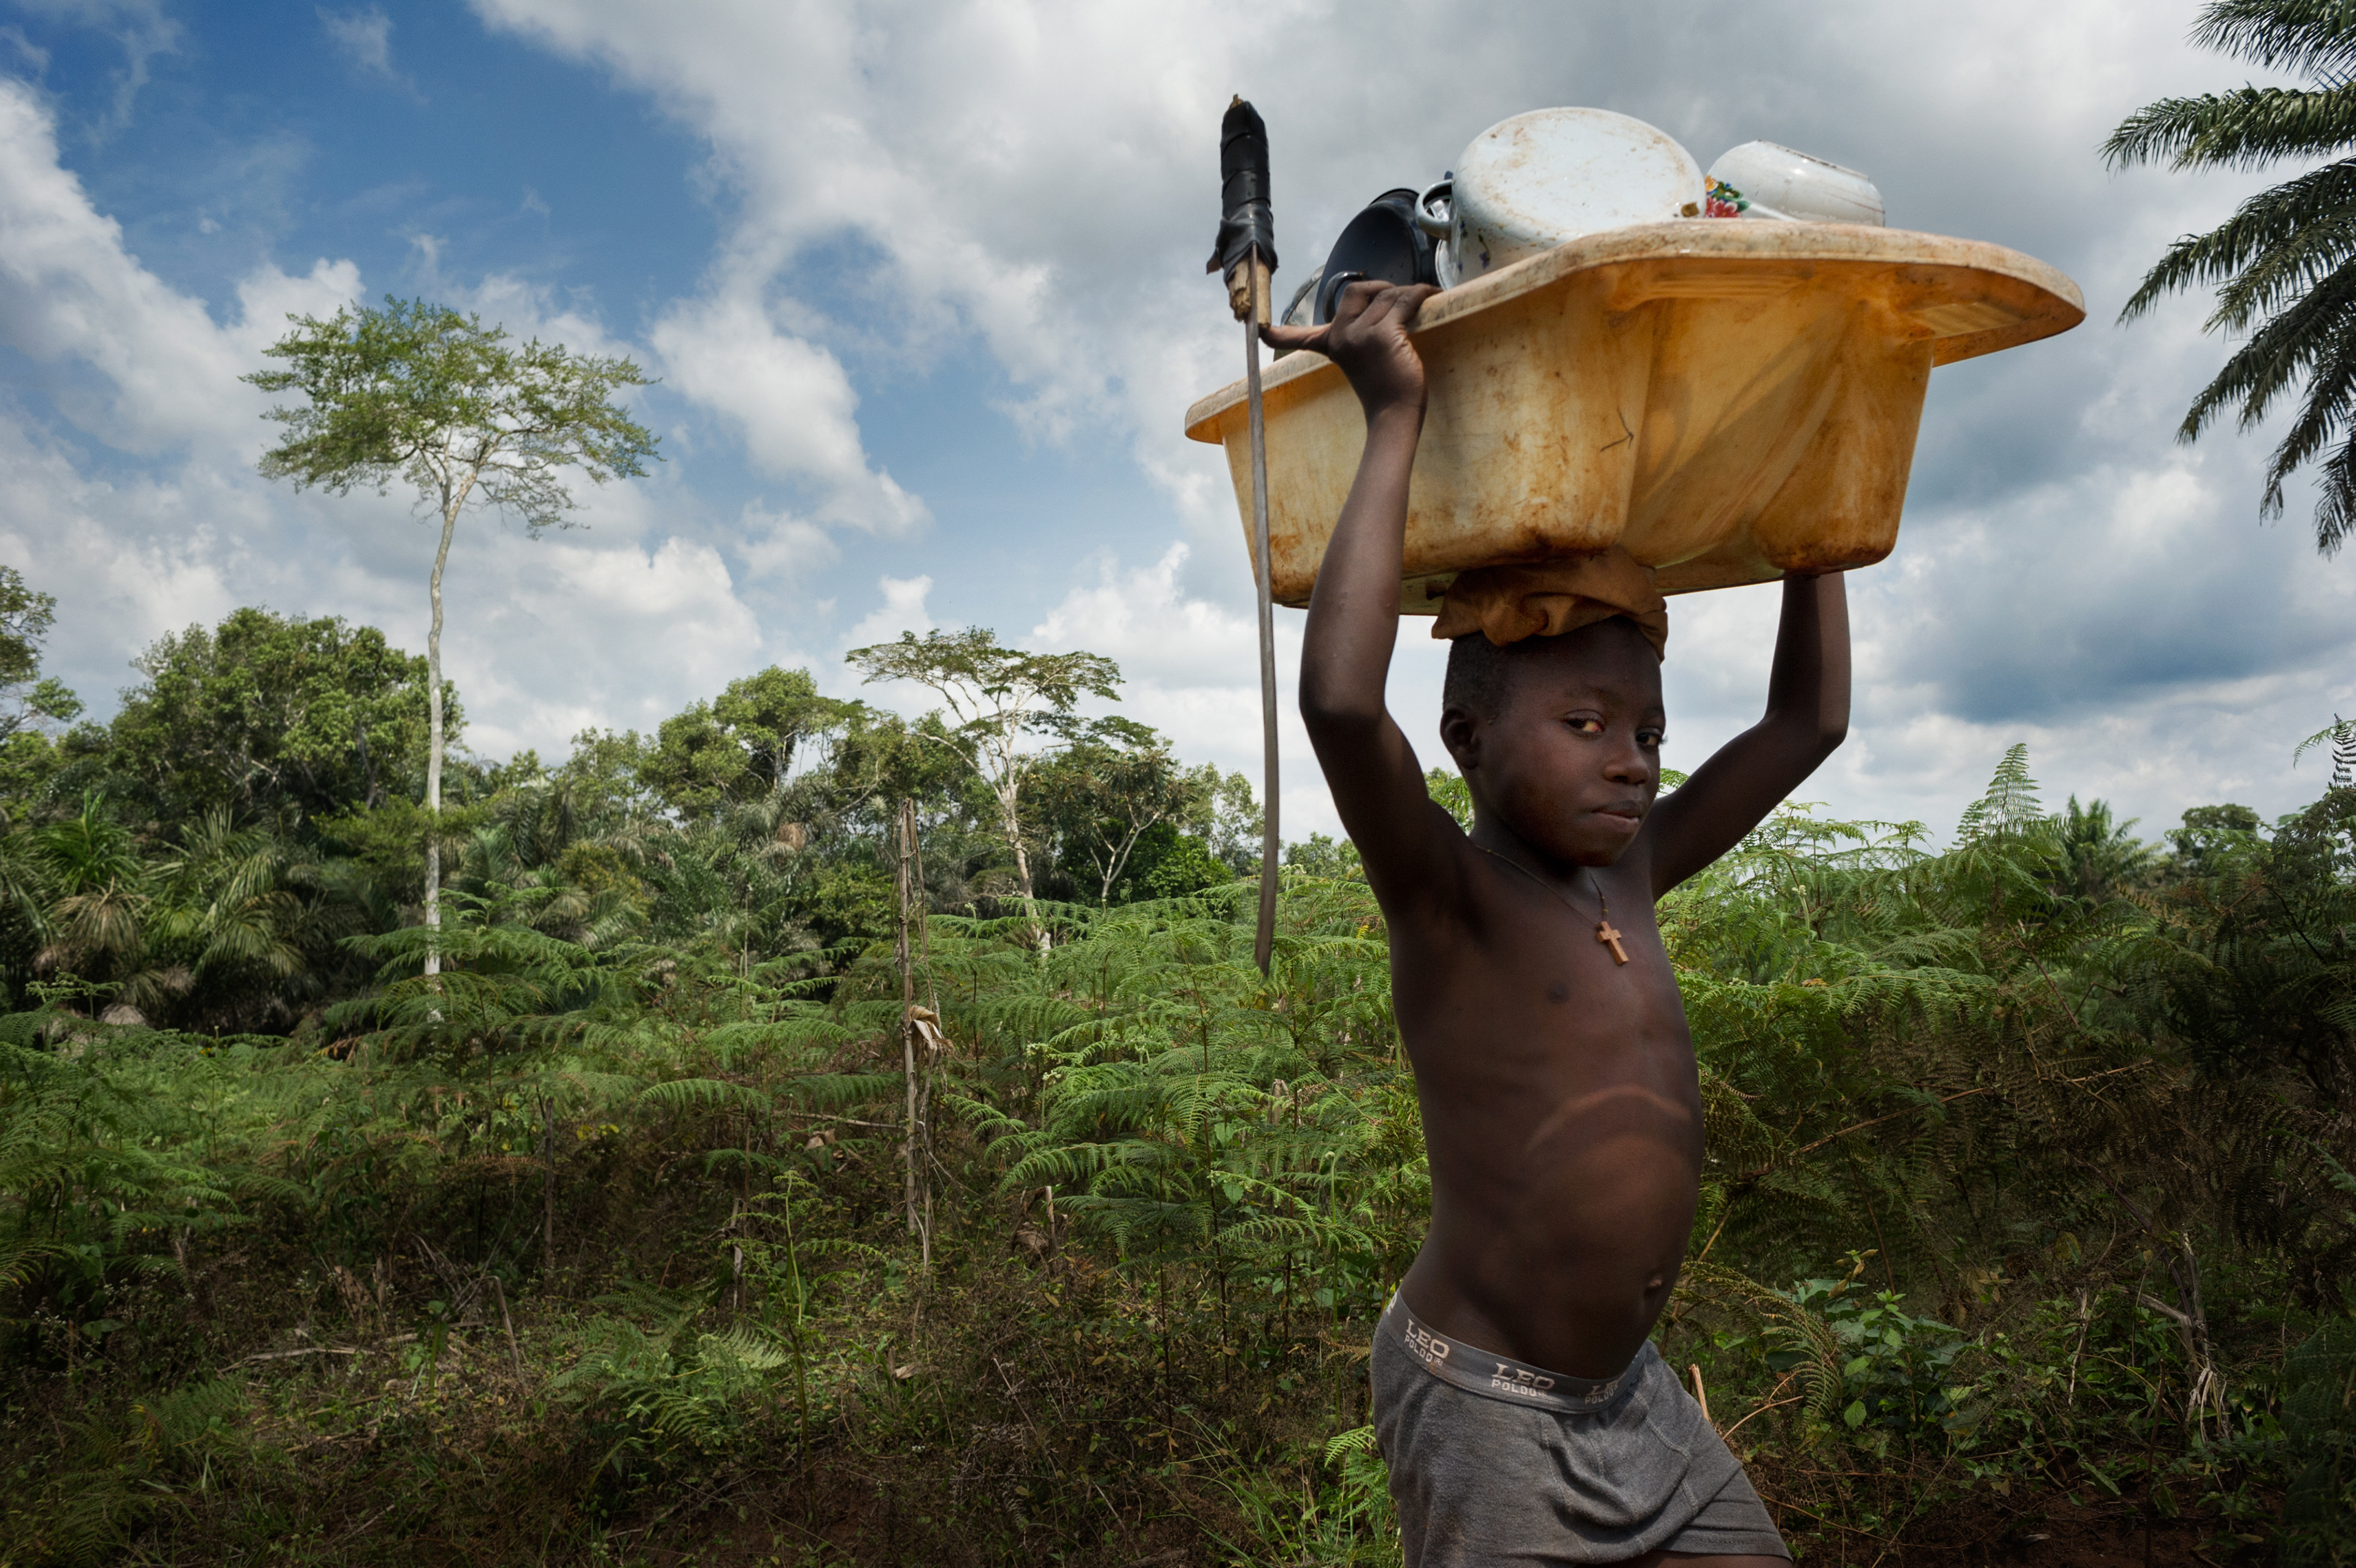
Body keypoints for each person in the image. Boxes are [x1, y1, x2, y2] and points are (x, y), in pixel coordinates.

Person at [1262, 279, 1850, 1567]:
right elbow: (1344, 711)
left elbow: (1806, 726)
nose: (1631, 762)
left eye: (1645, 732)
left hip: (1632, 1392)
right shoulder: (1449, 902)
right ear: (1468, 740)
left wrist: (1820, 519)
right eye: (1584, 726)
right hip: (1486, 1409)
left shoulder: (1630, 877)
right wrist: (1394, 410)